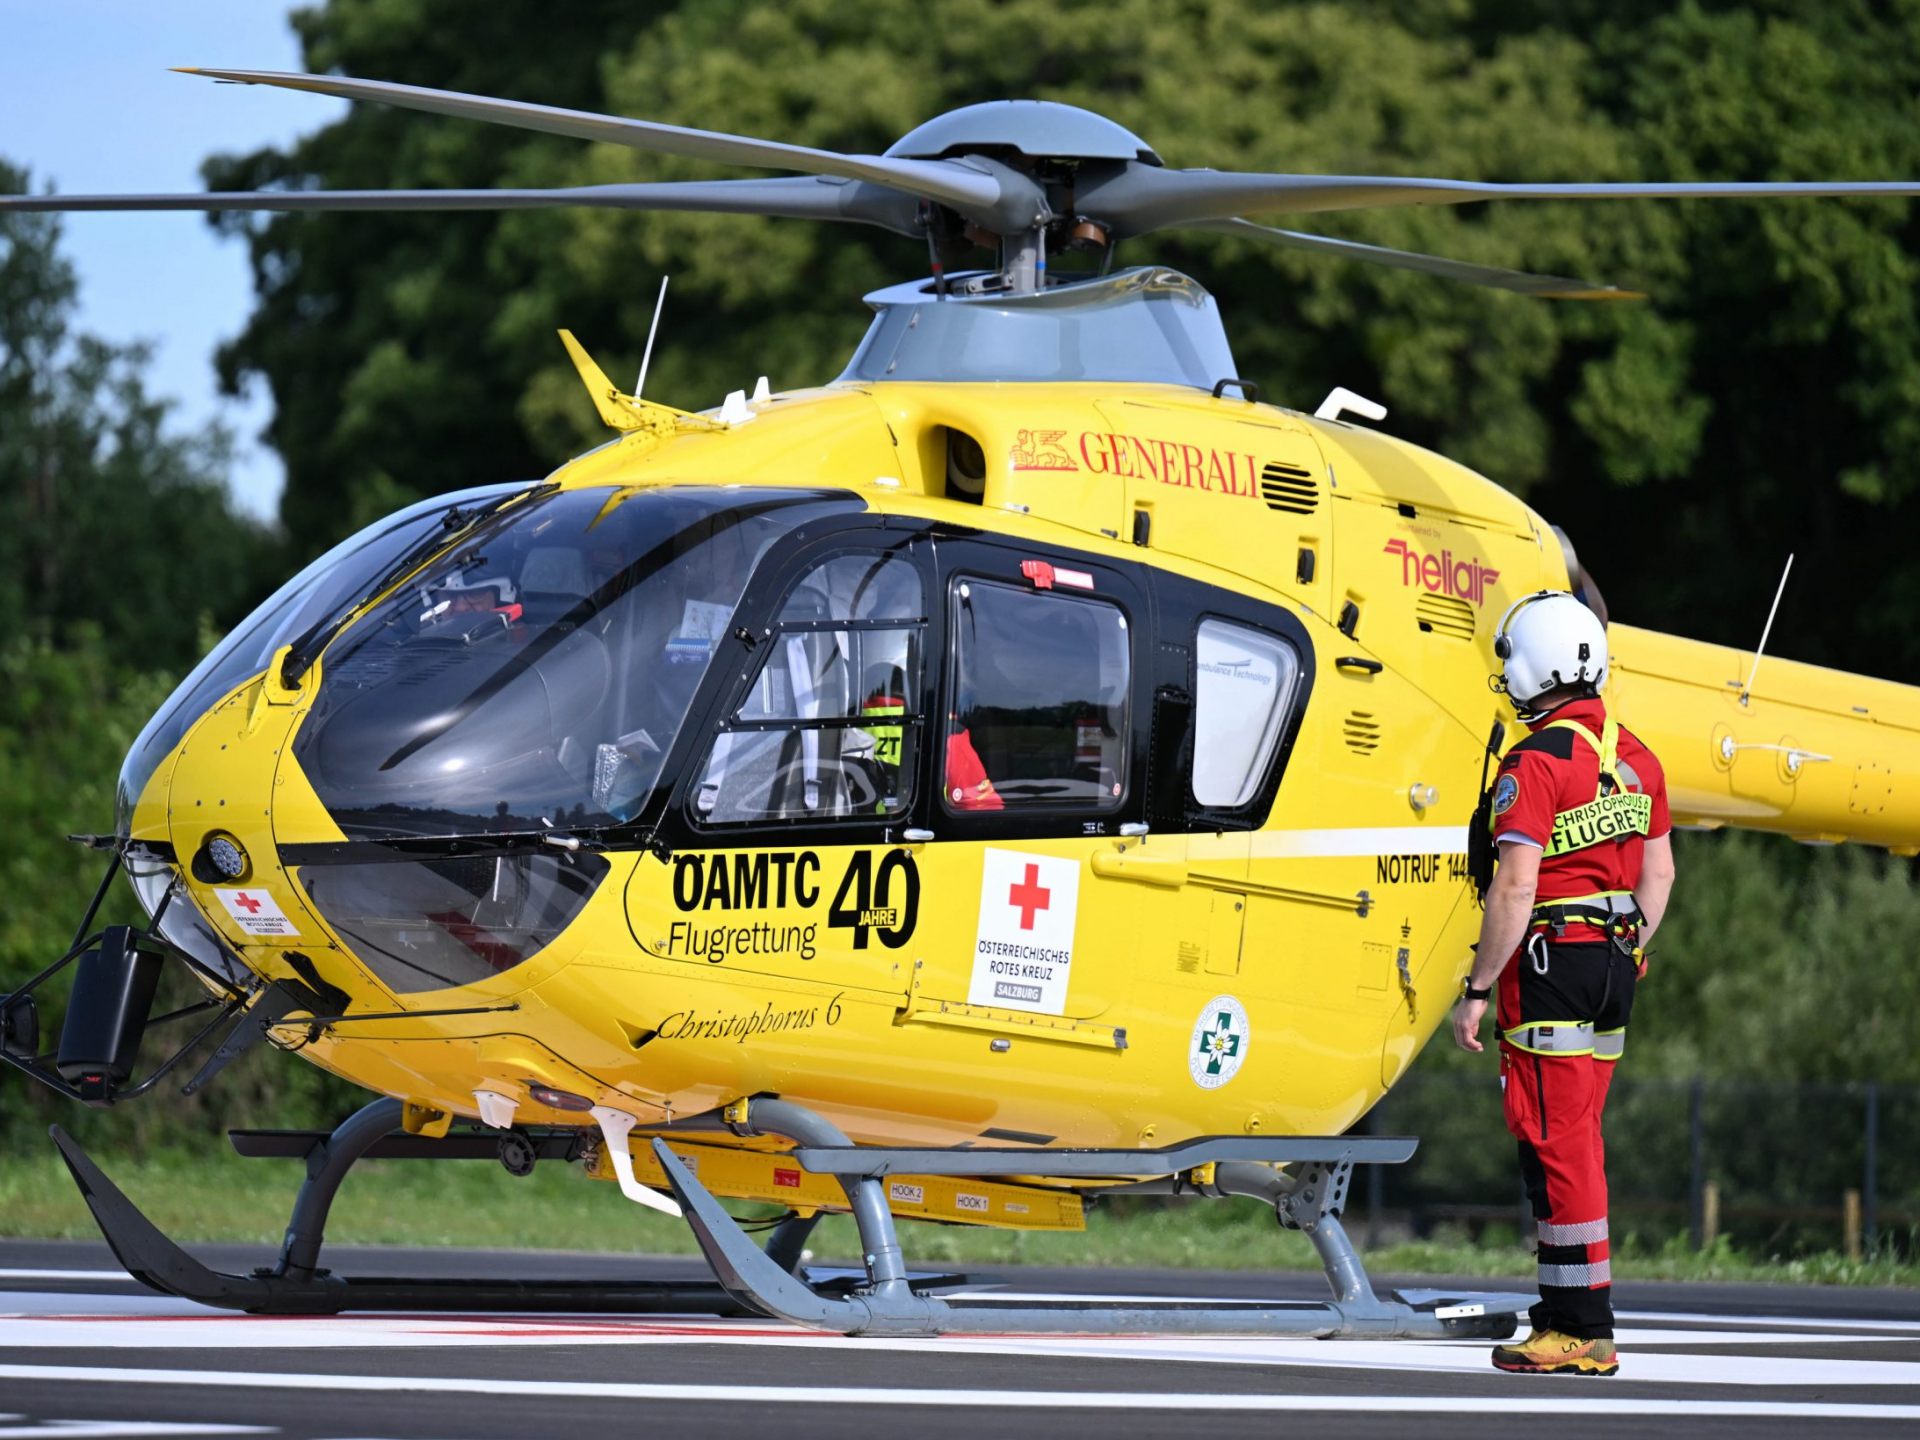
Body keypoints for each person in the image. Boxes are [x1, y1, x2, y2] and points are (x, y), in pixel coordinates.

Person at [1452, 589, 1676, 1377]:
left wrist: (1477, 988)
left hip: (1551, 965)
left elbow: (1515, 887)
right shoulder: (1639, 758)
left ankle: (1583, 1329)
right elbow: (1659, 875)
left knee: (1559, 1143)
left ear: (1533, 668)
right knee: (1572, 1138)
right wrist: (1628, 948)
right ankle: (1561, 1313)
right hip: (1615, 962)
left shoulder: (1534, 763)